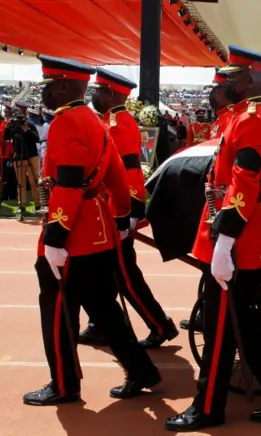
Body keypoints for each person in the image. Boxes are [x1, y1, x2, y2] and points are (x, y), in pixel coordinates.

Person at [165, 46, 261, 432]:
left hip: (238, 235)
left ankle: (208, 408)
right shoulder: (241, 116)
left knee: (220, 329)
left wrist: (225, 243)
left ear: (253, 79)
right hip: (232, 229)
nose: (224, 81)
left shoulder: (254, 119)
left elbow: (244, 182)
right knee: (240, 324)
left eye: (233, 75)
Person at [23, 55, 160, 406]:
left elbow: (68, 185)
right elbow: (116, 174)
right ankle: (141, 369)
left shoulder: (66, 122)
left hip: (74, 231)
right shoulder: (95, 121)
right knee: (103, 307)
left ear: (65, 85)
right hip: (99, 229)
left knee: (56, 310)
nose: (46, 94)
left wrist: (55, 238)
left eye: (49, 86)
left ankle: (64, 385)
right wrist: (122, 216)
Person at [78, 67, 179, 349]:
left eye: (98, 91)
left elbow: (130, 171)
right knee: (104, 275)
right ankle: (100, 324)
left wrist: (131, 212)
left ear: (110, 94)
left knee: (125, 277)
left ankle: (160, 325)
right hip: (111, 209)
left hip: (117, 211)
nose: (94, 95)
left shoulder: (117, 125)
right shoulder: (114, 120)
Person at [180, 69, 234, 332]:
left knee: (212, 263)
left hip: (223, 202)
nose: (211, 95)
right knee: (207, 263)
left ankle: (211, 316)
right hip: (213, 197)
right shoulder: (221, 120)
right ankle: (207, 313)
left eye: (216, 89)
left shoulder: (230, 120)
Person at [5, 101, 41, 213]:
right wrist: (7, 127)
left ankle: (38, 204)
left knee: (33, 181)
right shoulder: (12, 124)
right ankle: (22, 205)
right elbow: (6, 137)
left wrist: (27, 131)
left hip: (31, 155)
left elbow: (37, 138)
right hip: (19, 155)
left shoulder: (29, 123)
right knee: (20, 182)